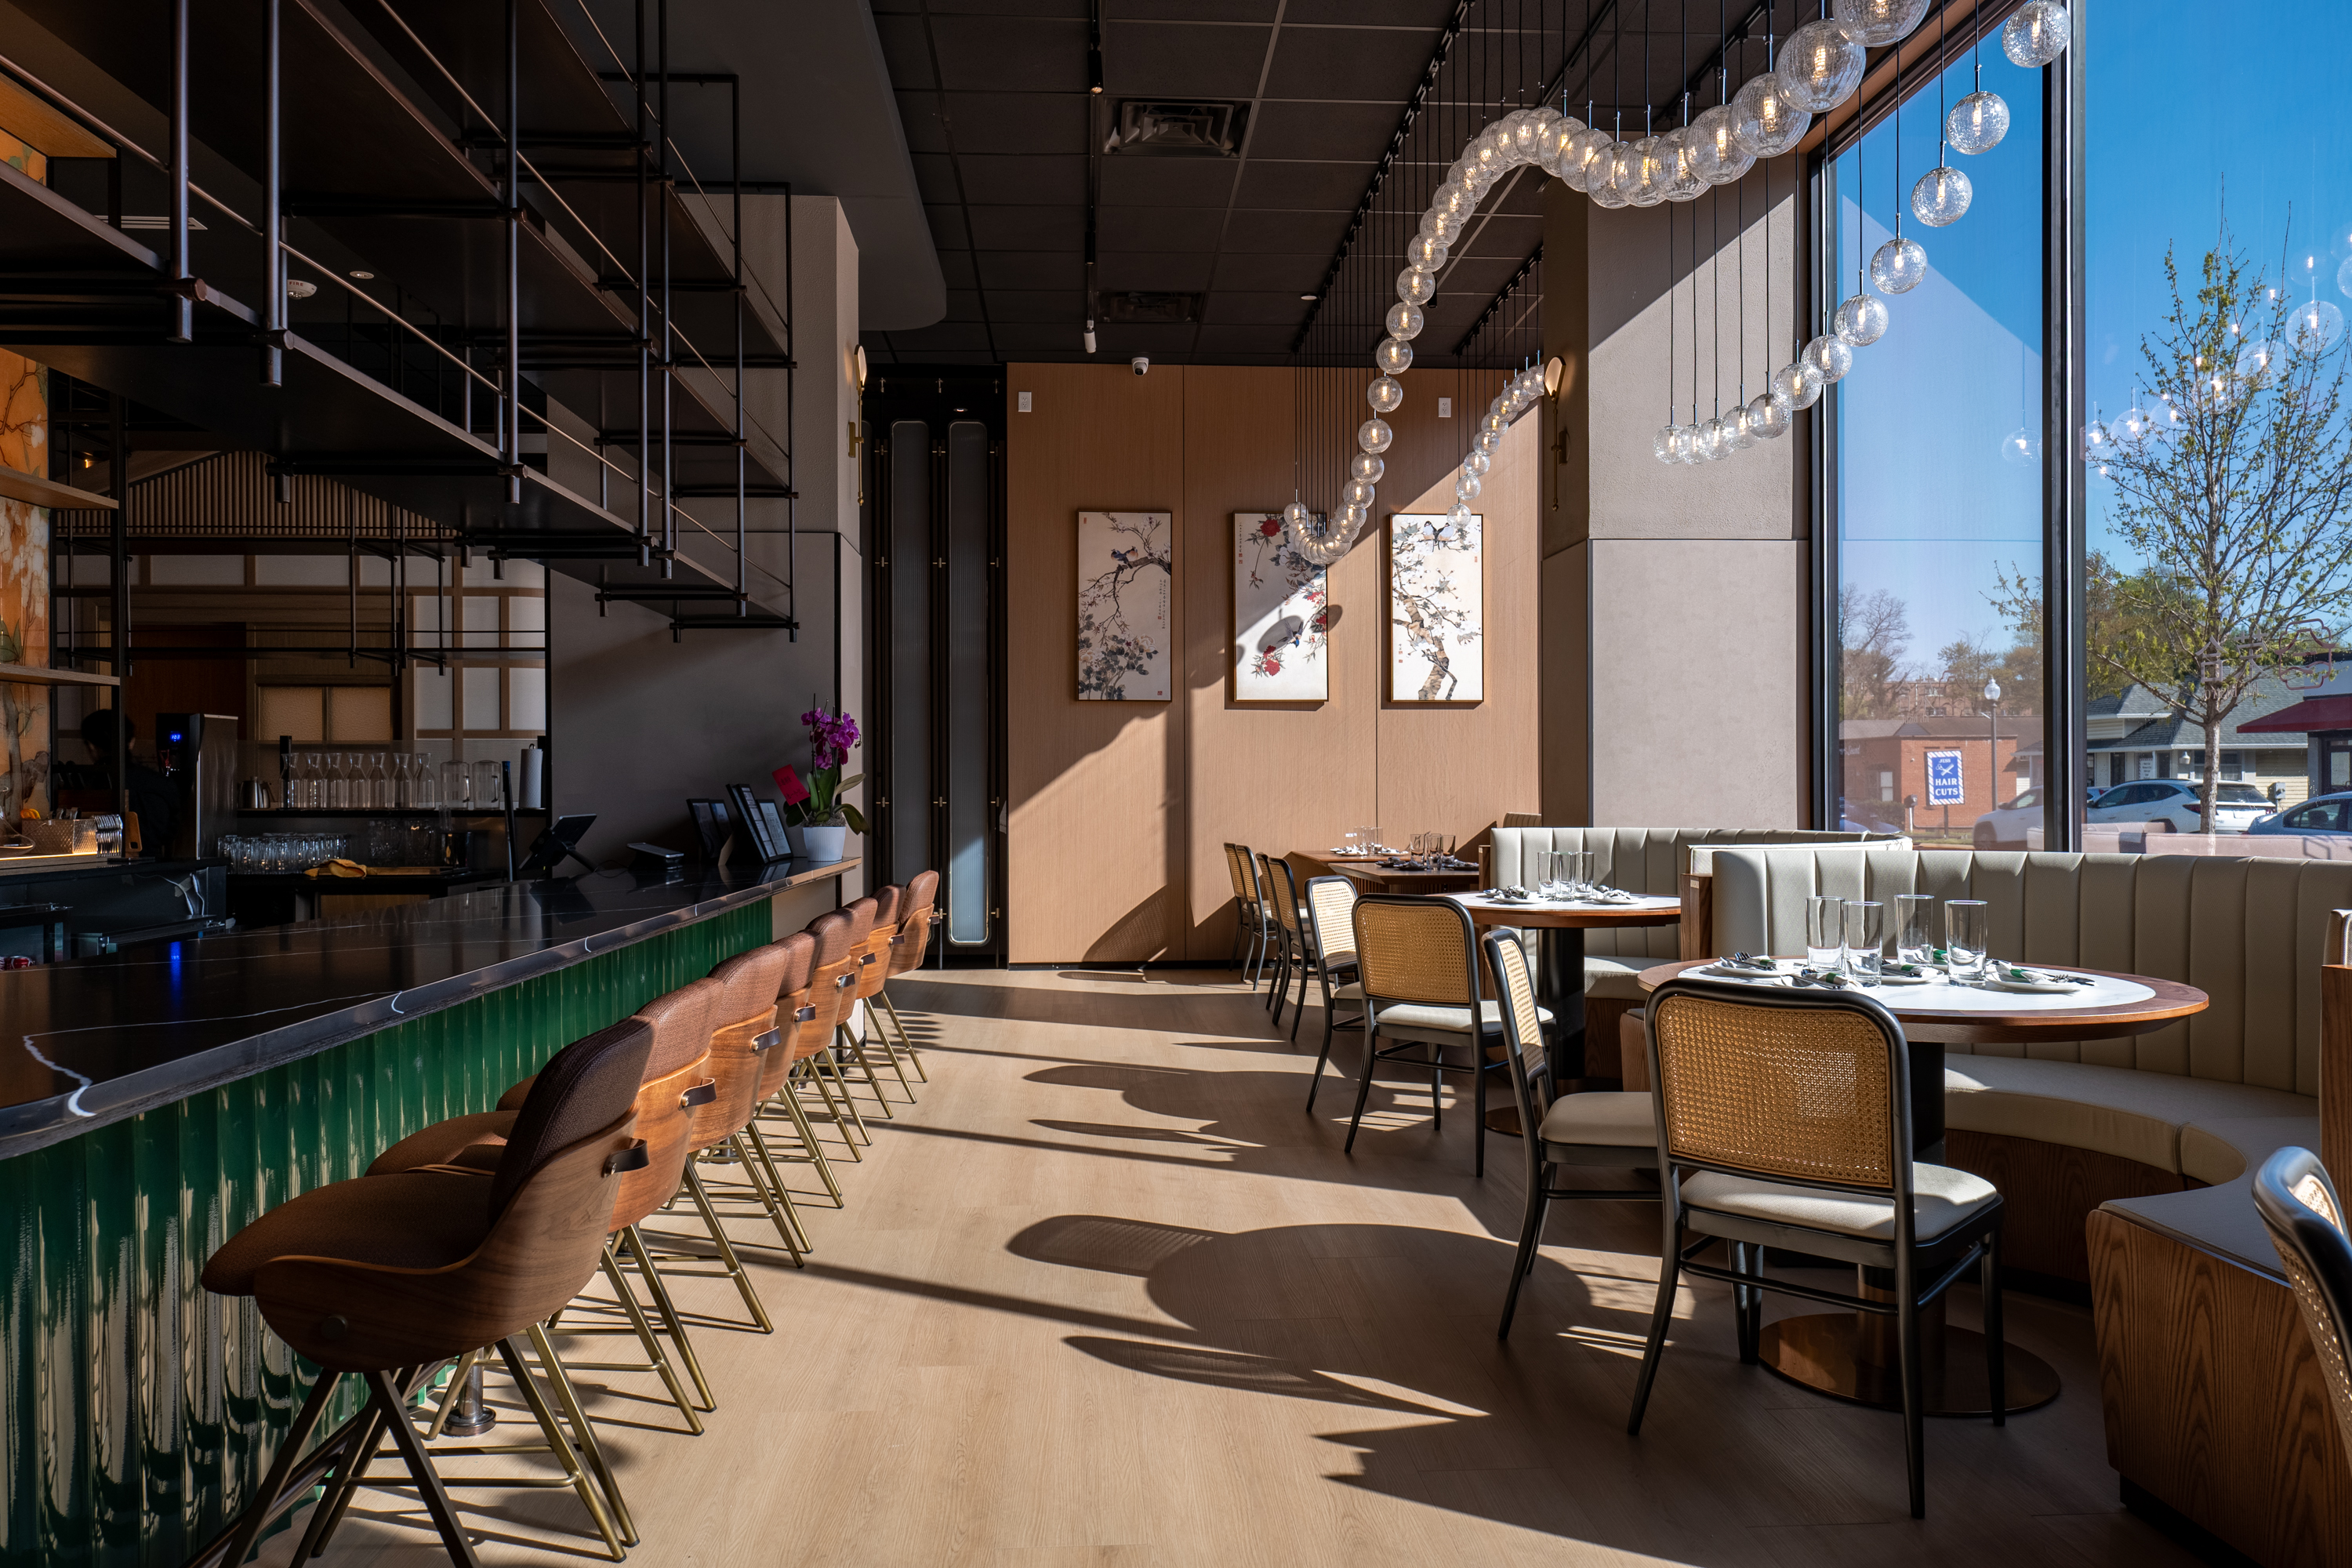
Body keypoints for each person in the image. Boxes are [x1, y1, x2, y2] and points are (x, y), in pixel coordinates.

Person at [81, 710, 176, 857]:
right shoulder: (163, 782)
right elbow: (172, 832)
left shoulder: (86, 784)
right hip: (156, 869)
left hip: (104, 868)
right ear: (131, 742)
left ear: (91, 746)